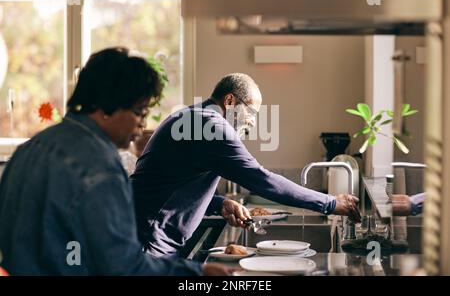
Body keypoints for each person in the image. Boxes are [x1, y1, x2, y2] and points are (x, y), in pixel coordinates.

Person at [0, 47, 229, 276]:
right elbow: (123, 266)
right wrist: (198, 272)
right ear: (107, 106)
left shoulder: (30, 149)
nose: (142, 123)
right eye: (139, 111)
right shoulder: (100, 169)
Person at [131, 73, 361, 257]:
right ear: (230, 101)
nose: (252, 121)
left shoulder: (191, 117)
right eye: (251, 112)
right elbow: (261, 179)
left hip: (142, 234)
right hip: (147, 241)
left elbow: (172, 184)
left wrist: (219, 204)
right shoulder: (210, 126)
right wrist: (330, 203)